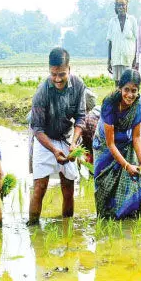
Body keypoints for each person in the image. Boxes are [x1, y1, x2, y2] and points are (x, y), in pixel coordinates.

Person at [28, 48, 87, 224]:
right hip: (44, 138)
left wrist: (74, 143)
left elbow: (81, 117)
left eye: (62, 74)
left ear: (69, 68)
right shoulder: (42, 91)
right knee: (40, 186)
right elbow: (37, 129)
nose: (58, 79)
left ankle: (67, 227)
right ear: (49, 70)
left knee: (68, 186)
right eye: (53, 74)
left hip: (67, 137)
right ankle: (32, 228)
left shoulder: (78, 86)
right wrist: (53, 150)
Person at [93, 69, 141, 219]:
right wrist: (126, 165)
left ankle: (129, 217)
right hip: (105, 144)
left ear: (138, 90)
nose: (130, 95)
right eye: (126, 89)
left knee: (131, 182)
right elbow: (110, 143)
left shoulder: (139, 106)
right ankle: (106, 218)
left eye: (134, 90)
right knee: (104, 183)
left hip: (126, 142)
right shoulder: (109, 104)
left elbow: (136, 137)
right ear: (120, 88)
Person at [107, 0, 138, 82]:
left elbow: (137, 40)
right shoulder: (112, 22)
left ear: (126, 6)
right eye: (119, 5)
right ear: (116, 7)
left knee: (128, 83)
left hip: (129, 59)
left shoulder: (132, 20)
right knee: (117, 85)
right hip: (116, 58)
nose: (121, 7)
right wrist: (109, 61)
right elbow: (110, 43)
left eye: (123, 5)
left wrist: (136, 59)